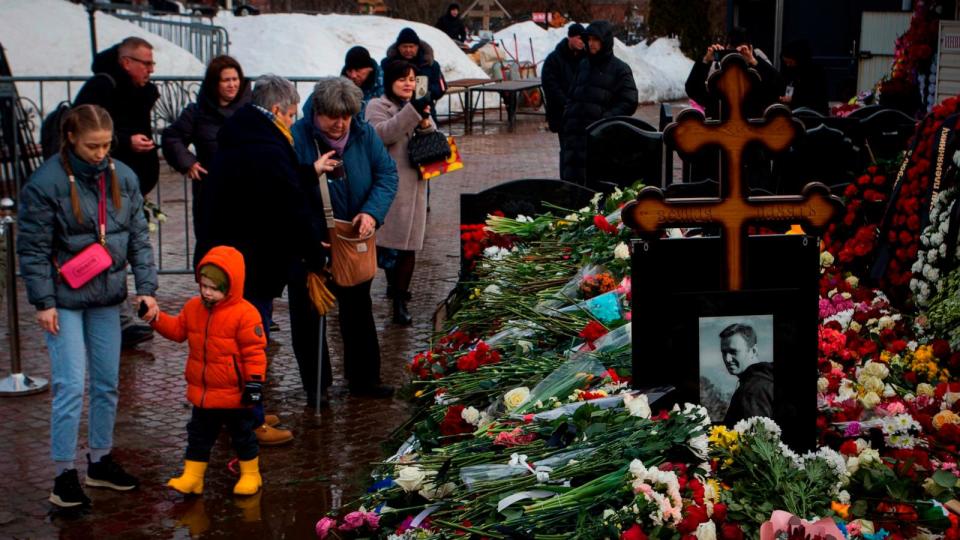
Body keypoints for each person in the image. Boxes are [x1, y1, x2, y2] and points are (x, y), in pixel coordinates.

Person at [17, 104, 159, 508]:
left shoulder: (123, 177)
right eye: (92, 146)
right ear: (71, 140)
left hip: (106, 295)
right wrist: (43, 301)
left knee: (106, 383)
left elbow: (138, 238)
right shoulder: (46, 184)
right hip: (63, 298)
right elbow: (33, 248)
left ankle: (100, 461)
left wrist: (146, 287)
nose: (100, 154)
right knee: (69, 386)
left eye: (105, 146)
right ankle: (63, 475)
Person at [197, 75, 325, 441]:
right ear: (275, 111)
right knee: (249, 343)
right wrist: (314, 254)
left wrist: (305, 172)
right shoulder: (266, 146)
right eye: (291, 114)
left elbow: (270, 184)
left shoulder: (246, 136)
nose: (292, 121)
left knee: (240, 341)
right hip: (249, 263)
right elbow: (288, 205)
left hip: (232, 256)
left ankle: (245, 411)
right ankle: (247, 423)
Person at [291, 77, 399, 399]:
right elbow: (288, 190)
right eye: (332, 117)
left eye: (346, 117)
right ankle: (317, 385)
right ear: (317, 112)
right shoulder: (297, 137)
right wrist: (309, 231)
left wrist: (371, 212)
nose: (339, 125)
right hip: (313, 241)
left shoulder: (364, 134)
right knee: (310, 314)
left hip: (352, 239)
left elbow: (386, 174)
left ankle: (364, 378)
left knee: (358, 309)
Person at [149, 245, 266, 497]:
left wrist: (254, 385)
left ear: (230, 288)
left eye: (214, 288)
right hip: (203, 392)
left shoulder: (246, 314)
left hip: (234, 394)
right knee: (199, 435)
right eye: (203, 286)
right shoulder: (193, 308)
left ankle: (250, 473)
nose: (207, 293)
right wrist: (155, 318)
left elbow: (254, 353)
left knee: (242, 435)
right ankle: (193, 477)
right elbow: (178, 330)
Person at [74, 36, 159, 348]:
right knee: (107, 252)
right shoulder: (102, 87)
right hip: (101, 187)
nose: (151, 69)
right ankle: (112, 321)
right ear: (127, 62)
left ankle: (115, 320)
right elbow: (87, 133)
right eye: (145, 63)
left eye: (152, 63)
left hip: (126, 188)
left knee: (121, 250)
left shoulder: (139, 92)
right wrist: (125, 141)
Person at [366, 61, 434, 325]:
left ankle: (400, 302)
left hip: (415, 187)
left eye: (412, 79)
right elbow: (382, 134)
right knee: (384, 246)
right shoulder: (377, 106)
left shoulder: (416, 105)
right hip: (389, 188)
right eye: (402, 79)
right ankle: (373, 292)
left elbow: (433, 137)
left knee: (408, 248)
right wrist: (413, 112)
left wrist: (425, 121)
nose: (408, 83)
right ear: (390, 82)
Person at [162, 55, 252, 249]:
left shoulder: (252, 111)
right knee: (213, 250)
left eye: (235, 79)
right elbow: (172, 137)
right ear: (214, 83)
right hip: (211, 193)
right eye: (226, 80)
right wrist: (187, 162)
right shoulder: (197, 112)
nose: (232, 85)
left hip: (246, 191)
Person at [560, 20, 638, 185]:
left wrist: (605, 120)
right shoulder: (583, 65)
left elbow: (629, 101)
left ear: (605, 41)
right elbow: (573, 95)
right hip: (574, 140)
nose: (591, 44)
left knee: (594, 193)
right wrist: (567, 118)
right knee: (571, 189)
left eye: (596, 40)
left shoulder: (619, 69)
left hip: (599, 142)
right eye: (589, 39)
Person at [685, 27, 785, 120]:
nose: (735, 56)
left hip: (751, 124)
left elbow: (778, 88)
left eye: (741, 51)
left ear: (750, 48)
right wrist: (705, 61)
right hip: (720, 124)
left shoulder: (756, 62)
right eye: (731, 51)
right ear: (726, 47)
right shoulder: (717, 63)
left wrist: (753, 61)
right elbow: (693, 89)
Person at [541, 23, 585, 177]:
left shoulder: (585, 58)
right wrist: (566, 103)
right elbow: (550, 84)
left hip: (581, 114)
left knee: (580, 151)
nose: (582, 42)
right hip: (563, 114)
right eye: (579, 38)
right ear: (570, 38)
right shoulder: (554, 59)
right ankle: (565, 182)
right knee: (566, 149)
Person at [381, 28, 446, 122]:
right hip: (396, 111)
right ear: (398, 47)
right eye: (404, 46)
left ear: (417, 47)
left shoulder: (430, 64)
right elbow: (383, 87)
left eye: (411, 46)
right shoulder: (388, 64)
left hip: (426, 112)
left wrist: (425, 94)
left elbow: (441, 88)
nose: (408, 50)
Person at [719, 323, 774, 427]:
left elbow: (756, 439)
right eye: (724, 352)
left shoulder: (753, 389)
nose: (727, 359)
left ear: (753, 351)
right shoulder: (763, 380)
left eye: (733, 352)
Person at [779, 40, 828, 115]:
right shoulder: (790, 72)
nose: (788, 65)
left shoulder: (814, 73)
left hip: (811, 113)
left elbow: (813, 97)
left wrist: (793, 99)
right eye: (786, 62)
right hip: (795, 110)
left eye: (790, 62)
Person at [340, 46, 384, 119]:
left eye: (357, 70)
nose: (353, 75)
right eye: (350, 71)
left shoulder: (386, 85)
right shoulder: (341, 84)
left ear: (370, 69)